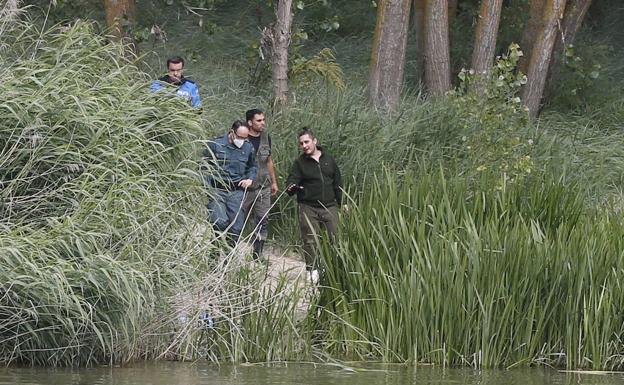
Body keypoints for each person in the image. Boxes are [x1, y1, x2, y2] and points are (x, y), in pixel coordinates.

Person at [286, 128, 342, 281]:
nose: (304, 145)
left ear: (314, 141)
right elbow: (291, 181)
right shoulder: (299, 163)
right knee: (310, 240)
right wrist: (292, 187)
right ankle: (312, 270)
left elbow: (337, 182)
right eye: (301, 143)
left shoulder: (329, 160)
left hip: (329, 206)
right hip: (308, 206)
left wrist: (342, 202)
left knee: (335, 238)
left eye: (307, 142)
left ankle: (335, 268)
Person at [203, 120, 257, 244]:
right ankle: (214, 255)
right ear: (231, 132)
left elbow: (252, 166)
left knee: (236, 228)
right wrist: (207, 189)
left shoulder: (248, 147)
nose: (241, 140)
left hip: (236, 191)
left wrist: (250, 179)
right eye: (239, 137)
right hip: (217, 190)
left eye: (245, 137)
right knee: (220, 222)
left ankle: (228, 258)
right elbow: (203, 166)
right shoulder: (215, 144)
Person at [241, 109, 279, 261]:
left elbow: (269, 160)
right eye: (259, 120)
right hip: (245, 187)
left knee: (263, 220)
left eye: (263, 119)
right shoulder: (242, 136)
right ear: (250, 122)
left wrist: (274, 181)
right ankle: (229, 251)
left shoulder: (265, 137)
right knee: (238, 220)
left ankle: (258, 255)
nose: (263, 123)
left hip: (264, 185)